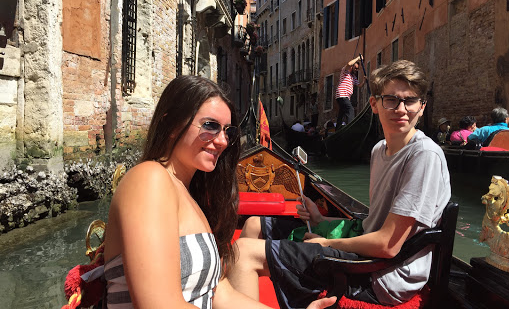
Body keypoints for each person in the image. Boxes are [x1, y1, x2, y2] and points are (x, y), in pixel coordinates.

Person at [227, 60, 451, 308]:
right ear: (374, 104)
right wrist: (323, 221)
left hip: (385, 276)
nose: (402, 109)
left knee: (243, 254)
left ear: (422, 107)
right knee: (252, 224)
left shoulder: (424, 156)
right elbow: (372, 225)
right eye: (391, 100)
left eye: (410, 101)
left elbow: (388, 245)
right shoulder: (379, 150)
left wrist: (326, 243)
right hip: (369, 253)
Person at [102, 76, 335, 309]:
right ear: (172, 125)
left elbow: (219, 293)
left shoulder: (192, 197)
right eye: (210, 126)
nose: (223, 141)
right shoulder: (149, 179)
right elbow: (159, 305)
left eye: (228, 131)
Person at [335, 56, 366, 129]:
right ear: (351, 67)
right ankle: (350, 127)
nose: (356, 70)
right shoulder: (345, 71)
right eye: (355, 68)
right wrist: (358, 58)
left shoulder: (353, 77)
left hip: (345, 97)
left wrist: (364, 80)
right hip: (342, 94)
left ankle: (338, 128)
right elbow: (349, 63)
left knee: (342, 113)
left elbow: (360, 85)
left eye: (357, 69)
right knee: (350, 109)